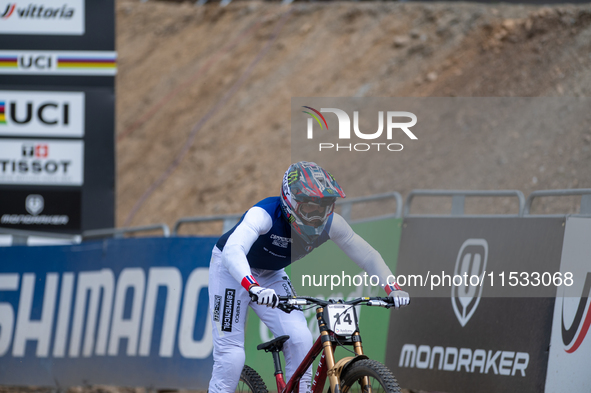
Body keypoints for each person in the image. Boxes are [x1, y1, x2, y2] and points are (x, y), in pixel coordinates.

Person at [208, 161, 410, 393]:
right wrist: (252, 286)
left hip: (271, 274)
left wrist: (392, 287)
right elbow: (234, 250)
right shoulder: (263, 214)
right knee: (231, 355)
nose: (318, 217)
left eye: (324, 209)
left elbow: (368, 256)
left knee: (301, 338)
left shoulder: (331, 224)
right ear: (291, 203)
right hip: (231, 270)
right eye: (310, 209)